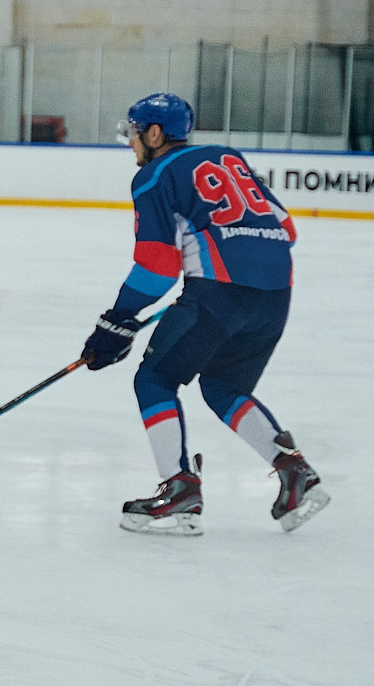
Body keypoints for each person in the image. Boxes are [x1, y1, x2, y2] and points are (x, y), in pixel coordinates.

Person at [79, 92, 329, 537]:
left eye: (135, 135)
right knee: (222, 386)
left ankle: (180, 492)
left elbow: (157, 266)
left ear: (155, 134)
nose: (132, 144)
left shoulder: (154, 176)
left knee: (153, 379)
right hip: (275, 295)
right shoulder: (228, 157)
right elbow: (285, 228)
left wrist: (118, 318)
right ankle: (294, 472)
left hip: (220, 295)